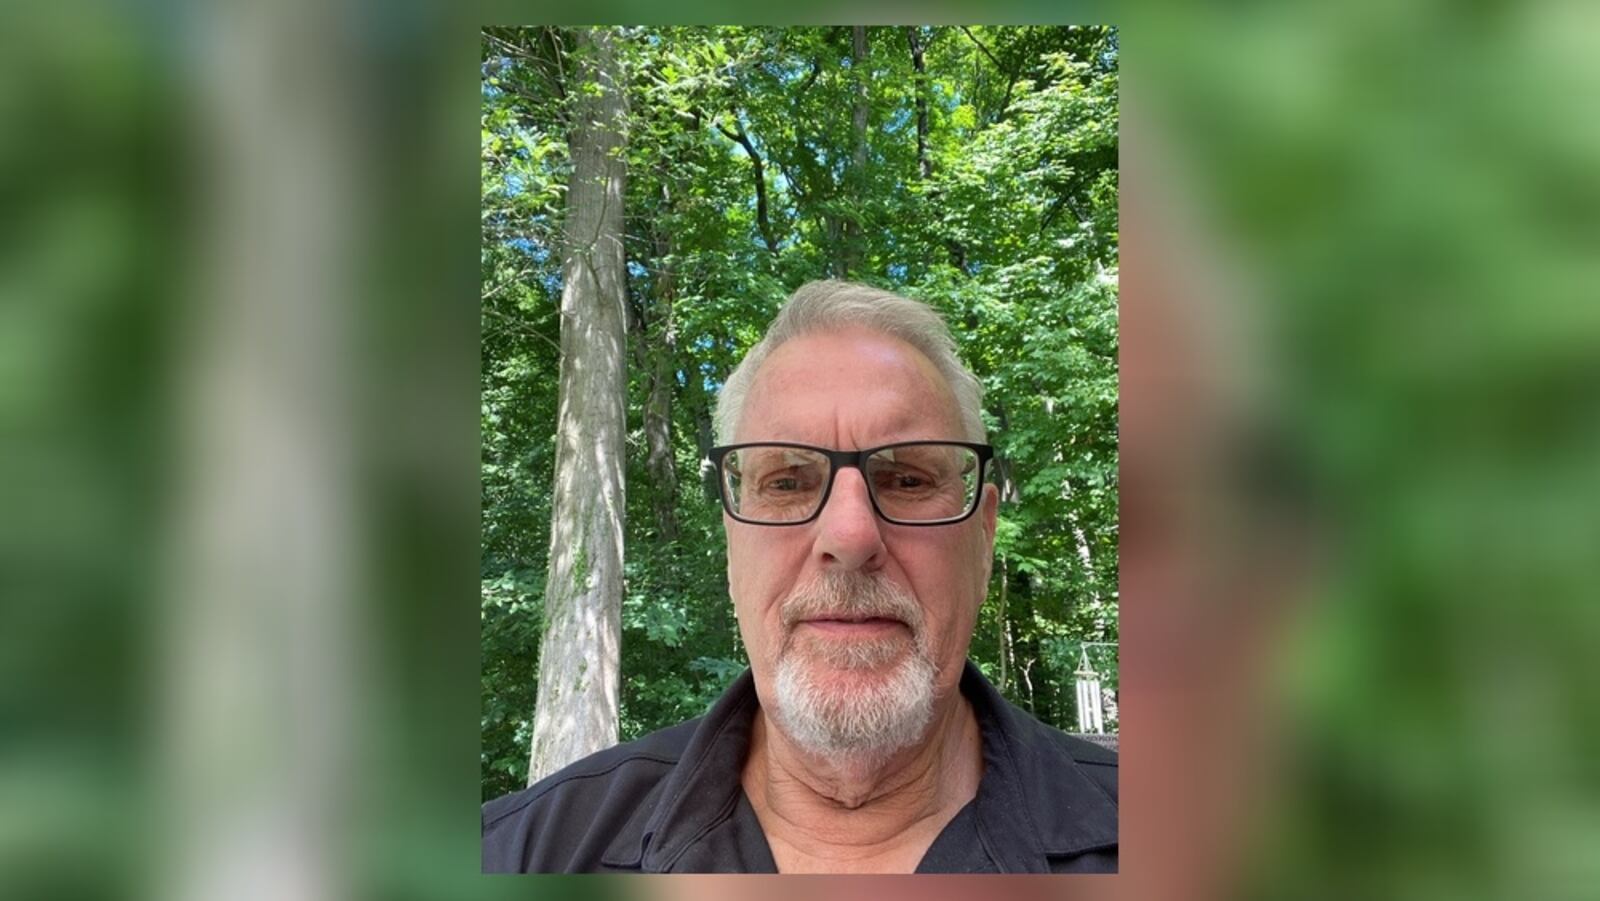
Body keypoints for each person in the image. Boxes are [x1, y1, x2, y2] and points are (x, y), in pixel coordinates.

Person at [482, 280, 1117, 873]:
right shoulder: (518, 854)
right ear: (732, 541)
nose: (851, 537)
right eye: (786, 483)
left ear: (983, 536)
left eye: (907, 480)